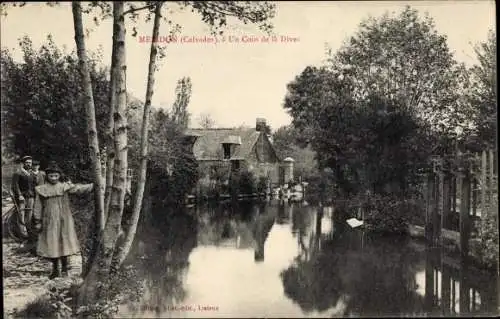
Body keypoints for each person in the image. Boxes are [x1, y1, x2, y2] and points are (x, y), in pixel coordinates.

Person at [33, 162, 94, 279]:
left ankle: (65, 267)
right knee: (52, 242)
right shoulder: (42, 189)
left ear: (59, 176)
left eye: (56, 176)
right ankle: (56, 269)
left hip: (64, 218)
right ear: (47, 176)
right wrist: (38, 220)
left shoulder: (64, 186)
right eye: (51, 176)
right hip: (49, 219)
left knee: (64, 240)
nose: (54, 178)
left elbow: (78, 189)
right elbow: (38, 206)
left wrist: (92, 185)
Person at [11, 155, 36, 238]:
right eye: (27, 163)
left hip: (31, 196)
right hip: (22, 197)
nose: (29, 164)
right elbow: (15, 185)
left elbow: (34, 185)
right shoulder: (18, 173)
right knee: (21, 214)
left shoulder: (32, 173)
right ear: (23, 163)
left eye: (30, 163)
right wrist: (20, 195)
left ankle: (28, 231)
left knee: (29, 214)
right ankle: (22, 234)